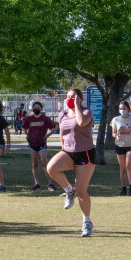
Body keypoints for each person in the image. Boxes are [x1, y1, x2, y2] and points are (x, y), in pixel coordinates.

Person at [46, 89, 96, 237]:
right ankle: (69, 190)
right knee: (51, 168)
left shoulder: (87, 112)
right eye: (68, 97)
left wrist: (76, 106)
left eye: (73, 96)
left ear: (81, 99)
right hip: (68, 151)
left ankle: (86, 222)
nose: (70, 99)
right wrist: (63, 148)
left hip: (85, 153)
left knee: (82, 191)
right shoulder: (63, 114)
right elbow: (62, 132)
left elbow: (80, 122)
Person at [22, 101, 58, 191]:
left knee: (44, 163)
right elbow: (23, 127)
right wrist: (27, 134)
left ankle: (50, 184)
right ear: (32, 108)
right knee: (34, 164)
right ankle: (37, 184)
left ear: (41, 109)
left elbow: (55, 127)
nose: (36, 109)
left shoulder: (45, 119)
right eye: (35, 107)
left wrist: (47, 136)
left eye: (38, 108)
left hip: (42, 144)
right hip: (32, 144)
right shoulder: (29, 119)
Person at [110, 101, 131, 196]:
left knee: (128, 166)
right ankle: (123, 188)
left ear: (128, 109)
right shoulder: (115, 119)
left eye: (124, 108)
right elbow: (113, 132)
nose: (122, 110)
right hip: (120, 146)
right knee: (122, 168)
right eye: (120, 109)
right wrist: (115, 136)